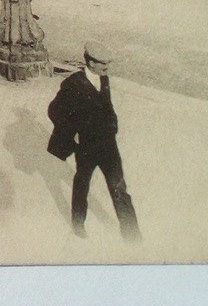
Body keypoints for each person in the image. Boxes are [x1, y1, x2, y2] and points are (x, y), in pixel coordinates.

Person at [46, 42, 140, 242]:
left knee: (119, 188)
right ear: (90, 63)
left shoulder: (103, 79)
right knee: (82, 185)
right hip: (86, 146)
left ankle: (133, 238)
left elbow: (108, 106)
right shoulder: (73, 84)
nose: (107, 66)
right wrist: (73, 134)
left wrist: (113, 125)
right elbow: (54, 110)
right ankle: (78, 225)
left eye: (107, 62)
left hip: (108, 145)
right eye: (102, 63)